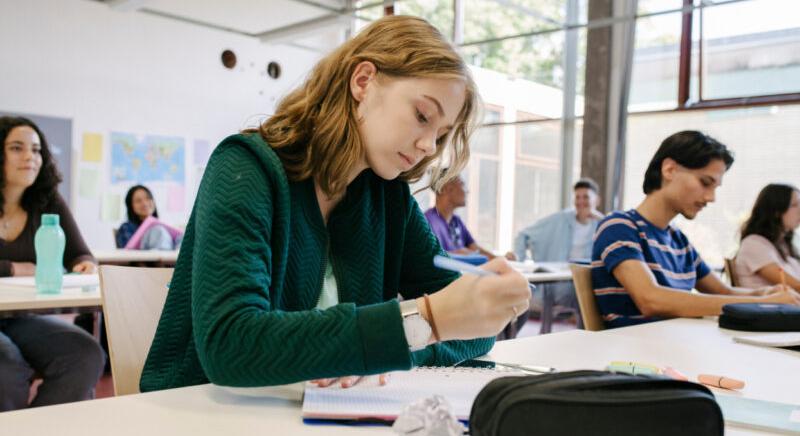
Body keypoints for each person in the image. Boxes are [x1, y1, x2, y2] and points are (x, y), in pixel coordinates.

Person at [140, 16, 530, 392]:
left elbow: (472, 327)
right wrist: (417, 324)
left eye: (441, 135)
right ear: (363, 81)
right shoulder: (245, 167)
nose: (429, 146)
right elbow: (230, 344)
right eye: (422, 115)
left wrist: (375, 347)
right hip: (200, 414)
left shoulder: (387, 198)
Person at [591, 130, 799, 329]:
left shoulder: (678, 240)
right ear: (669, 170)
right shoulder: (619, 226)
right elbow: (651, 299)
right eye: (705, 182)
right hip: (636, 354)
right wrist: (763, 304)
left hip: (676, 344)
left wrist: (762, 294)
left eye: (715, 188)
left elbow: (723, 291)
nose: (711, 198)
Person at [0, 116, 105, 411]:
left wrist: (85, 264)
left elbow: (81, 254)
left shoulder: (47, 200)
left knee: (86, 355)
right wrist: (12, 269)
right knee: (6, 367)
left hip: (17, 316)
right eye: (17, 148)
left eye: (36, 150)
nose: (30, 157)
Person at [510, 178, 604, 319]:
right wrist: (519, 258)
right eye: (577, 197)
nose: (580, 202)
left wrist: (601, 218)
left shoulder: (601, 225)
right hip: (560, 283)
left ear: (597, 201)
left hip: (584, 280)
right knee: (588, 298)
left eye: (586, 197)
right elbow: (524, 235)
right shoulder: (560, 219)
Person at [424, 174, 506, 259]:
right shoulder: (428, 221)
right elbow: (430, 256)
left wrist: (500, 259)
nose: (467, 191)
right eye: (462, 184)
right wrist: (459, 254)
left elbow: (474, 249)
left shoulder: (456, 221)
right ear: (446, 188)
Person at [735, 184, 800, 290]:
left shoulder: (783, 246)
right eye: (794, 205)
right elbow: (795, 286)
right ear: (776, 211)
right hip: (774, 305)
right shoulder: (754, 244)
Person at [116, 184, 181, 250]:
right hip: (145, 258)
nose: (144, 203)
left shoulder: (164, 226)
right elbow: (127, 254)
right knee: (157, 230)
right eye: (138, 201)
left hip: (171, 257)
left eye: (148, 198)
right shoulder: (126, 228)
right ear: (131, 206)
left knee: (180, 237)